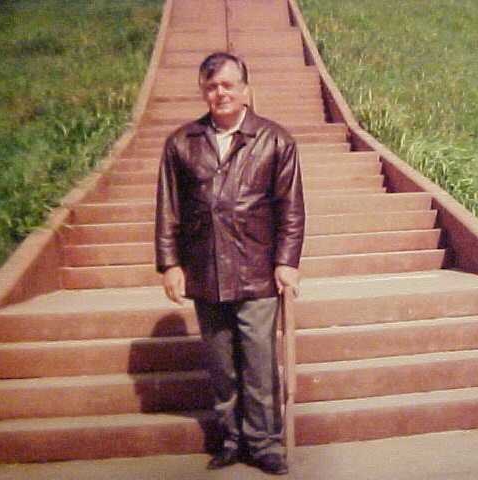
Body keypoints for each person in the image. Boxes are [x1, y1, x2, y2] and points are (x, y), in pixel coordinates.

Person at [155, 52, 305, 475]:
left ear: (245, 89)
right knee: (222, 365)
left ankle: (265, 443)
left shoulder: (276, 141)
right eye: (211, 86)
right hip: (205, 271)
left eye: (227, 85)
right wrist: (171, 264)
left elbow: (290, 210)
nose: (219, 93)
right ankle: (231, 439)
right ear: (203, 91)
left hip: (256, 270)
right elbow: (169, 209)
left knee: (259, 364)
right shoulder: (181, 143)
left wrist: (286, 262)